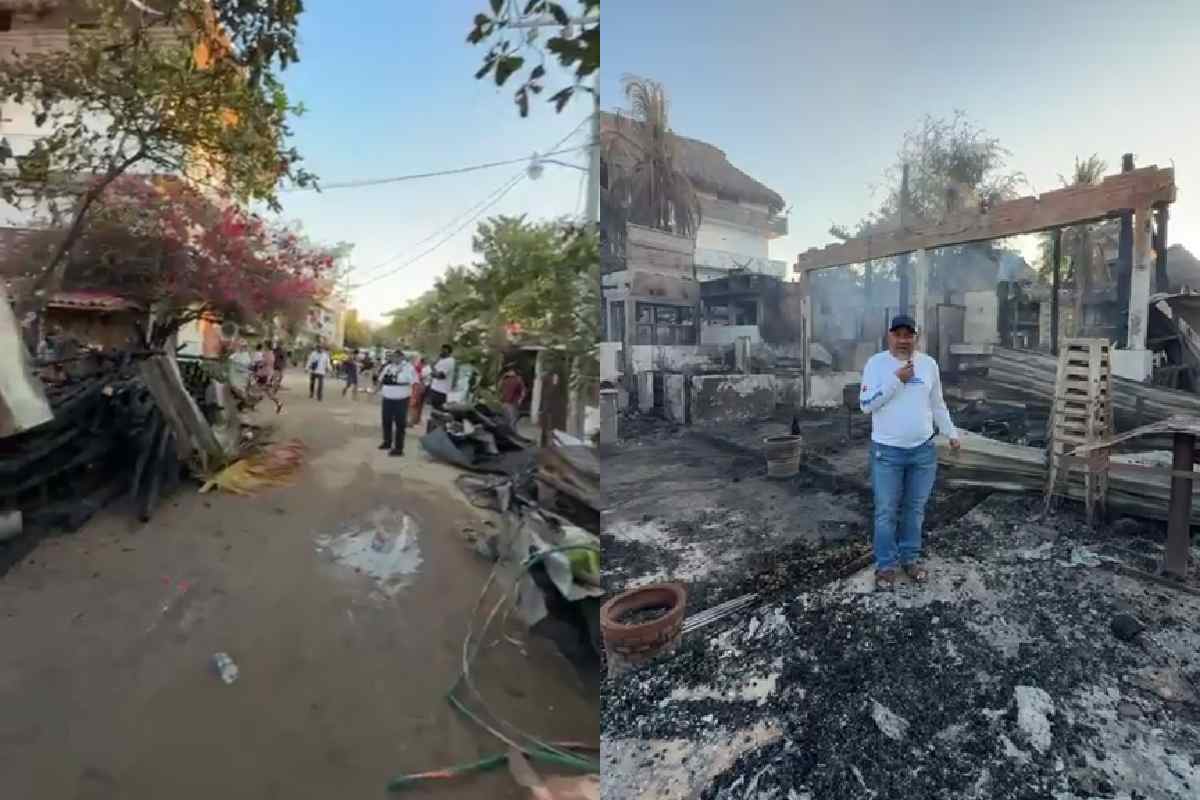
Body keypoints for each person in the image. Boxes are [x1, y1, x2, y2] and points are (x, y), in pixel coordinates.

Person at [859, 314, 960, 592]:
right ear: (889, 336)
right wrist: (896, 381)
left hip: (923, 452)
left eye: (909, 335)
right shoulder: (876, 364)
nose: (903, 340)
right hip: (887, 453)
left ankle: (910, 559)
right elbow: (865, 405)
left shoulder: (928, 365)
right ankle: (886, 566)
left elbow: (938, 404)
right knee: (886, 512)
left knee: (914, 510)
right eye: (898, 334)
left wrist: (950, 432)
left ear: (916, 337)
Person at [377, 349, 417, 456]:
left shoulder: (409, 368)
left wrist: (414, 398)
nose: (394, 358)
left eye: (396, 356)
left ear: (402, 357)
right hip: (387, 398)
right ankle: (387, 442)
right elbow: (380, 380)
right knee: (386, 421)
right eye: (393, 356)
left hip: (401, 399)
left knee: (400, 424)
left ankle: (399, 448)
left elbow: (415, 383)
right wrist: (375, 391)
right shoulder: (388, 367)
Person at [498, 365, 527, 429]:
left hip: (512, 403)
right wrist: (503, 377)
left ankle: (512, 434)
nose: (510, 372)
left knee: (512, 421)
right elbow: (499, 388)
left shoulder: (518, 379)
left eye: (511, 371)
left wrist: (520, 400)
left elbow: (523, 391)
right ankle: (509, 434)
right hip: (505, 402)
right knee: (507, 420)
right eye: (509, 371)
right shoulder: (505, 379)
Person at [429, 344, 455, 411]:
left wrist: (432, 368)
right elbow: (433, 374)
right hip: (434, 389)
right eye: (441, 350)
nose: (441, 352)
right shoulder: (440, 360)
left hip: (441, 392)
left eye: (443, 350)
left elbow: (440, 376)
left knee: (439, 412)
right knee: (433, 411)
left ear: (448, 352)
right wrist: (433, 367)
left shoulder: (450, 361)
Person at [407, 355, 428, 427]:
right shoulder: (417, 368)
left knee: (414, 405)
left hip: (416, 387)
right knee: (414, 405)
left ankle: (412, 421)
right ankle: (412, 421)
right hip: (416, 387)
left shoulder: (416, 368)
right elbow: (420, 378)